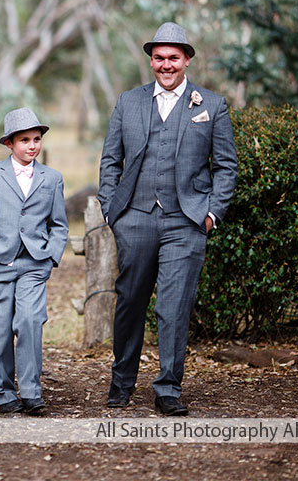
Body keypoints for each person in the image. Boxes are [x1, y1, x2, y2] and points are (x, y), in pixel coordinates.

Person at [98, 22, 237, 416]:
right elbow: (111, 160)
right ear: (151, 61)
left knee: (174, 306)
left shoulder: (210, 104)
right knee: (130, 301)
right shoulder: (129, 101)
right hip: (135, 217)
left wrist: (212, 212)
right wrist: (112, 209)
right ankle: (121, 381)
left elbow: (226, 166)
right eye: (158, 58)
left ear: (187, 59)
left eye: (173, 58)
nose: (165, 65)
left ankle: (168, 388)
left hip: (187, 220)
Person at [0, 108, 69, 415]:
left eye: (36, 139)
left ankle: (31, 391)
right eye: (24, 140)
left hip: (34, 264)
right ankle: (4, 392)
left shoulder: (52, 178)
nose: (32, 146)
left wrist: (50, 256)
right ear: (10, 143)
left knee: (29, 321)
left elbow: (59, 224)